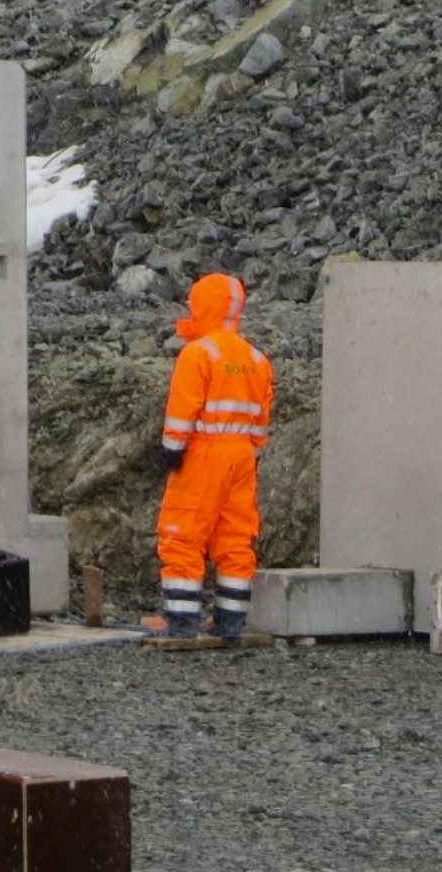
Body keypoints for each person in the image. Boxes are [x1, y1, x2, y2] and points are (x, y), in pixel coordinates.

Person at [156, 272, 276, 638]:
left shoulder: (198, 354)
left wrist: (172, 448)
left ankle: (181, 622)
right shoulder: (257, 359)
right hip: (242, 458)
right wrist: (248, 453)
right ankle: (230, 622)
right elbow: (261, 420)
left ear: (204, 306)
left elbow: (183, 408)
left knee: (182, 532)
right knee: (235, 537)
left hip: (205, 453)